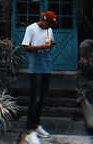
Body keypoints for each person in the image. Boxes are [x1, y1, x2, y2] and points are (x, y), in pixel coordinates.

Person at [22, 11, 57, 144]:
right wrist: (40, 47)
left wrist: (49, 45)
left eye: (51, 25)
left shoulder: (49, 30)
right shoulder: (31, 29)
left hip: (47, 63)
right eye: (48, 24)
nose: (49, 27)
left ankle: (37, 125)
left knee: (42, 97)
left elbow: (49, 45)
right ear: (43, 20)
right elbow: (25, 47)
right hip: (35, 65)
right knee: (35, 97)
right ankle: (30, 131)